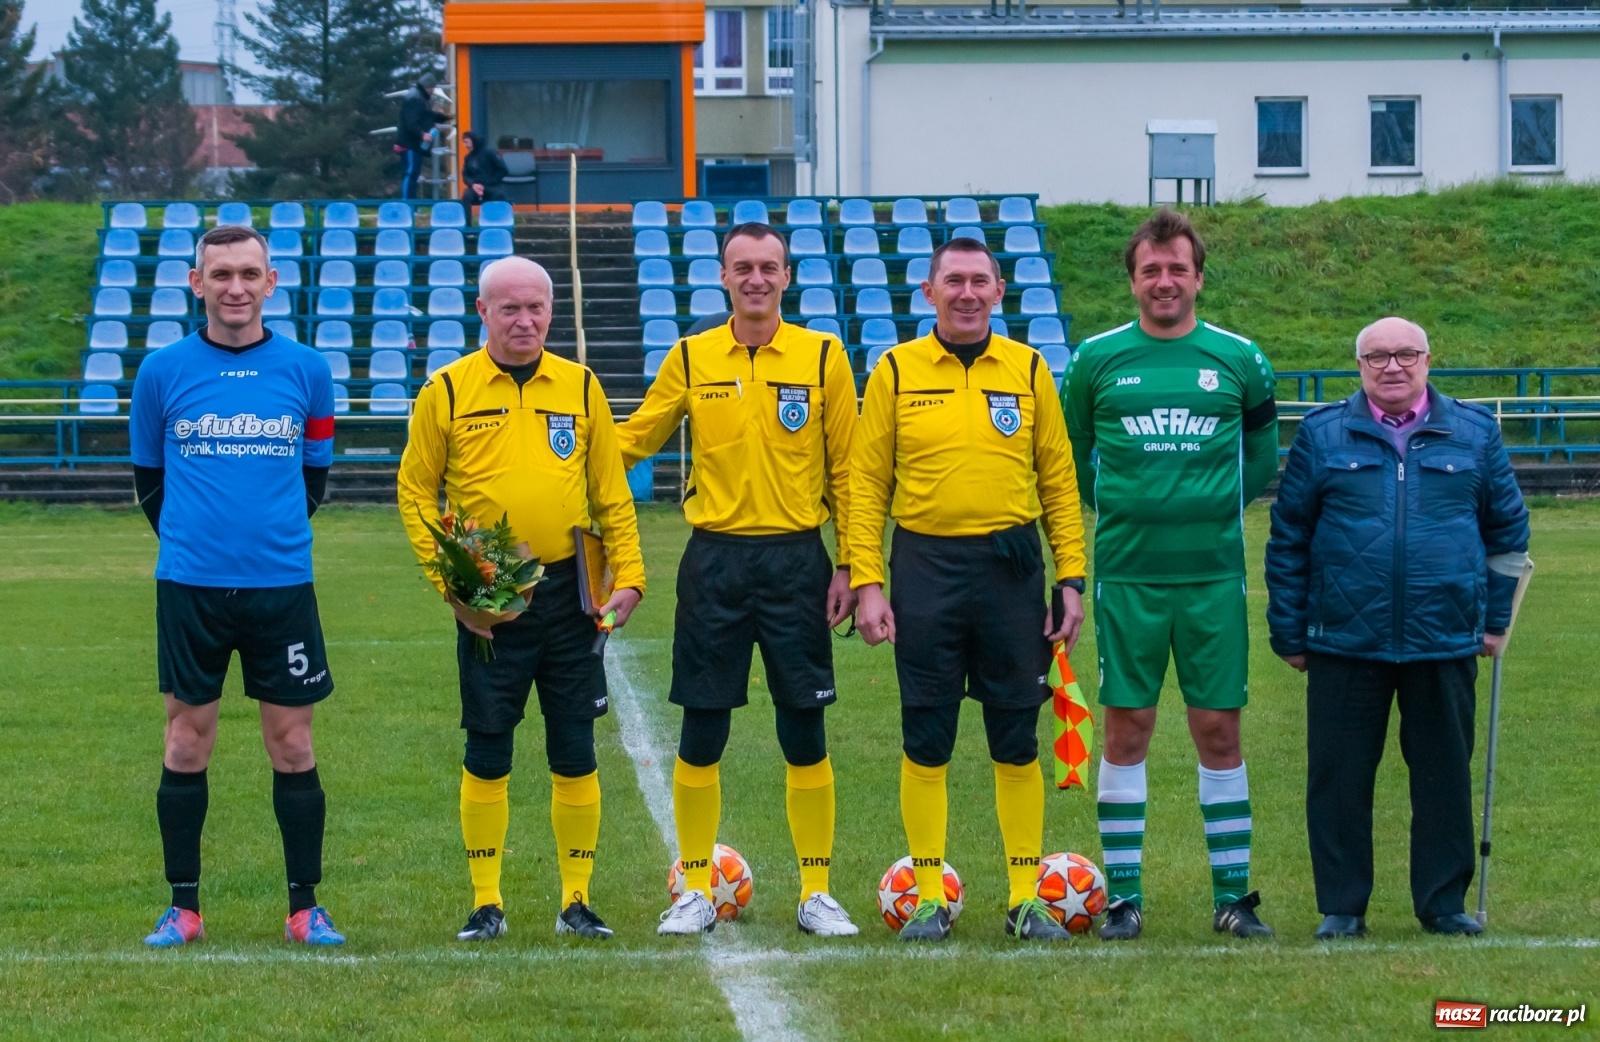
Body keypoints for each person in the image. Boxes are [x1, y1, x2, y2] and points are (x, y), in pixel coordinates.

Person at [616, 222, 861, 938]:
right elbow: (635, 437)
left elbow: (847, 468)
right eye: (742, 267)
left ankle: (817, 893)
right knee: (702, 727)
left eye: (769, 267)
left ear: (788, 277)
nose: (756, 279)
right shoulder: (693, 356)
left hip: (797, 561)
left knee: (804, 728)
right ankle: (694, 890)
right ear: (722, 277)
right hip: (715, 560)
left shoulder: (823, 356)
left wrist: (851, 562)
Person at [397, 256, 646, 942]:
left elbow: (608, 490)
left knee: (575, 747)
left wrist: (630, 572)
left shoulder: (581, 385)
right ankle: (486, 901)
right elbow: (416, 491)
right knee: (488, 747)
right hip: (491, 592)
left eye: (536, 307)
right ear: (482, 313)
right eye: (509, 308)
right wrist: (452, 581)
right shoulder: (445, 390)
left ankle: (576, 900)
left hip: (570, 590)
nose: (525, 320)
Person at [852, 235, 1088, 943]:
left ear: (998, 292)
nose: (966, 292)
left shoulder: (1028, 368)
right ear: (928, 292)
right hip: (924, 567)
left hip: (1012, 571)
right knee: (927, 734)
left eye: (979, 281)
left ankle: (1025, 898)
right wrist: (868, 580)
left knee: (1016, 734)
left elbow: (1059, 480)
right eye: (951, 280)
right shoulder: (894, 371)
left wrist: (1071, 576)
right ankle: (928, 896)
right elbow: (866, 485)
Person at [1266, 317, 1530, 939]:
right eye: (1378, 356)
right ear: (1359, 366)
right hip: (1343, 639)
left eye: (1406, 354)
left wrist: (1494, 622)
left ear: (1428, 360)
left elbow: (1508, 536)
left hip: (1444, 636)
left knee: (1443, 776)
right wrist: (1290, 632)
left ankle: (1443, 904)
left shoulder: (1474, 434)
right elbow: (1289, 539)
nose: (1393, 366)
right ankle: (1342, 906)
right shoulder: (1322, 434)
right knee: (1338, 779)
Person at [1060, 207, 1279, 941]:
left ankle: (1232, 898)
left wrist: (1203, 509)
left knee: (1219, 729)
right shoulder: (1095, 360)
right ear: (1132, 279)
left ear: (1198, 277)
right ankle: (1123, 899)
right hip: (1128, 577)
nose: (1164, 281)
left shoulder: (1240, 359)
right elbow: (1074, 463)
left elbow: (1262, 461)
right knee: (1128, 727)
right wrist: (1132, 509)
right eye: (1150, 269)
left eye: (1176, 269)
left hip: (1214, 577)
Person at [129, 224, 343, 947]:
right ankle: (183, 910)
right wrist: (200, 545)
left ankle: (304, 909)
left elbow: (315, 478)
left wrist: (263, 543)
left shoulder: (308, 369)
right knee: (186, 742)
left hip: (282, 585)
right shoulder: (161, 371)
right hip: (189, 586)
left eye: (249, 273)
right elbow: (149, 483)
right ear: (197, 284)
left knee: (292, 745)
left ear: (270, 283)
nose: (235, 288)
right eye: (219, 274)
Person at [398, 73, 448, 201]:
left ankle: (411, 203)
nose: (432, 91)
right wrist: (423, 133)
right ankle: (407, 203)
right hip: (411, 143)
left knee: (413, 173)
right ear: (428, 87)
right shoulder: (415, 98)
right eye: (432, 88)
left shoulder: (418, 96)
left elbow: (423, 117)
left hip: (415, 143)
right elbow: (411, 122)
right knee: (411, 173)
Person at [460, 132, 509, 211]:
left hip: (492, 185)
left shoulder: (489, 153)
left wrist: (490, 182)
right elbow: (465, 175)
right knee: (467, 196)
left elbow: (503, 170)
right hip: (475, 186)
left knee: (499, 195)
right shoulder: (468, 158)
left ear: (473, 141)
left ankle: (497, 222)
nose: (464, 145)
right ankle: (466, 222)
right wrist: (473, 184)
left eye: (466, 142)